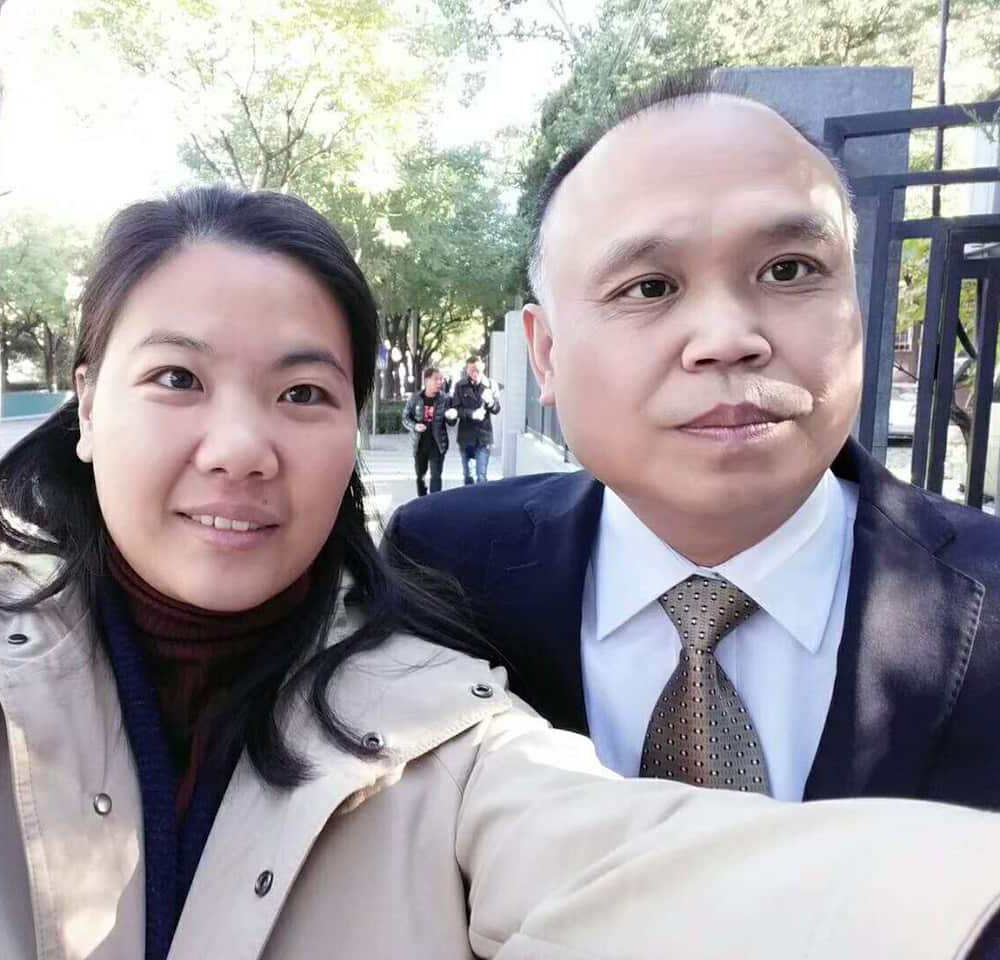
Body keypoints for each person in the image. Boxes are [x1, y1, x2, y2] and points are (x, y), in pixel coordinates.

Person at [0, 186, 1000, 960]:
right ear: (88, 410)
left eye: (302, 391)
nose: (241, 447)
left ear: (350, 437)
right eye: (175, 378)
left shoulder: (444, 728)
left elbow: (637, 861)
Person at [384, 72, 1000, 809]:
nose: (728, 340)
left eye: (790, 269)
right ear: (546, 353)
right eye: (650, 287)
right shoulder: (443, 573)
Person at [449, 356, 501, 485]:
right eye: (471, 370)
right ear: (467, 370)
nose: (475, 373)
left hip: (483, 437)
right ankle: (468, 503)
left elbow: (496, 409)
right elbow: (456, 409)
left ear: (482, 368)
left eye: (477, 369)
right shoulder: (460, 386)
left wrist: (490, 402)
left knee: (481, 476)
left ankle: (481, 504)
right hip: (466, 437)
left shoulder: (490, 384)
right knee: (468, 476)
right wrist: (472, 414)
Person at [401, 367, 451, 496]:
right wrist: (415, 426)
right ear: (427, 381)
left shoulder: (445, 399)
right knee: (420, 477)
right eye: (436, 379)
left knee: (436, 477)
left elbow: (451, 422)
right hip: (420, 444)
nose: (440, 382)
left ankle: (435, 505)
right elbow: (405, 418)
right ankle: (421, 503)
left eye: (441, 379)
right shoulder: (415, 398)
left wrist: (452, 416)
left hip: (438, 444)